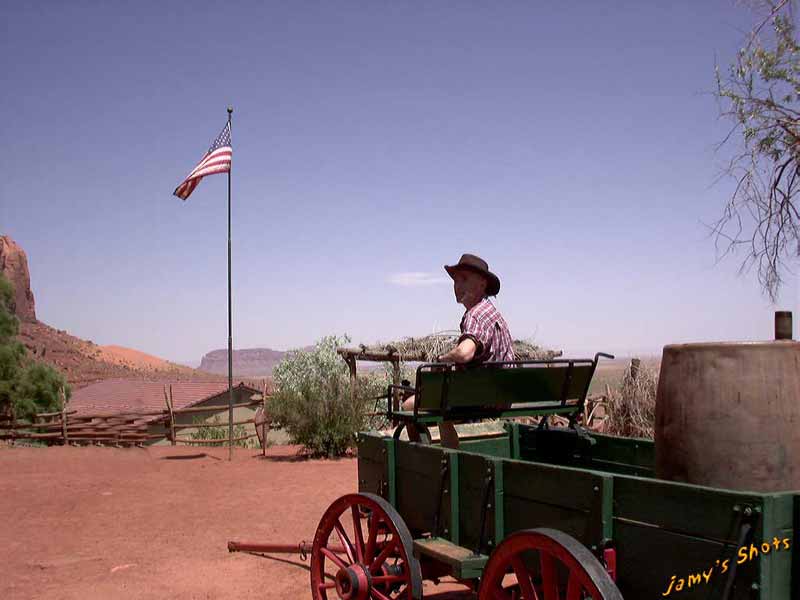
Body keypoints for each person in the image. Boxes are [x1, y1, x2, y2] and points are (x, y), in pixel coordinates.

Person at [402, 253, 514, 448]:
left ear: (482, 284)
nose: (457, 285)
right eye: (455, 280)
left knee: (408, 407)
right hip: (502, 395)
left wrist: (441, 359)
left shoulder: (475, 315)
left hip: (480, 396)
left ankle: (428, 459)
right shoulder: (493, 313)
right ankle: (448, 457)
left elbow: (464, 353)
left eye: (464, 279)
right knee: (442, 408)